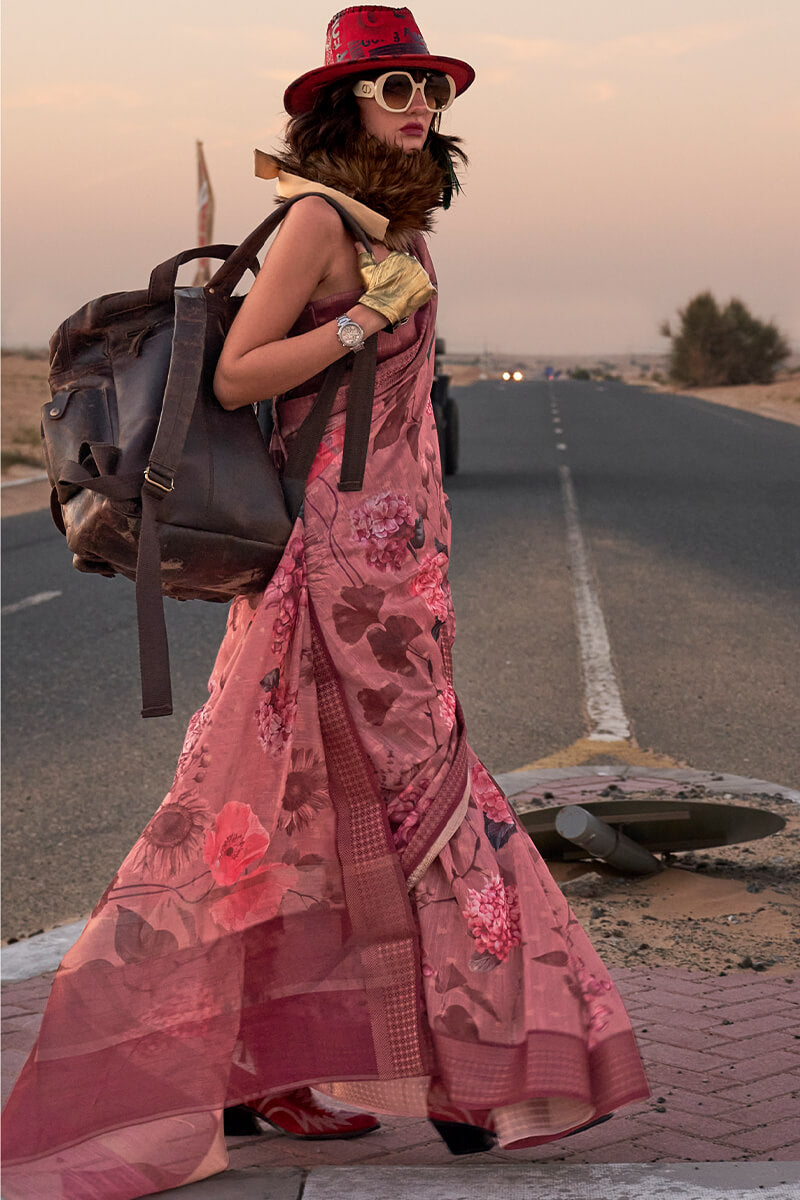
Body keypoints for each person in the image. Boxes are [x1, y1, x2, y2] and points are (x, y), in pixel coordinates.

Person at [1, 7, 649, 1197]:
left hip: (398, 565)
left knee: (313, 809)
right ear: (341, 104)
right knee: (394, 804)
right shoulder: (315, 221)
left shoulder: (390, 225)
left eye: (429, 90)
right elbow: (239, 368)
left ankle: (272, 1071)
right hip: (333, 568)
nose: (416, 106)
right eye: (392, 87)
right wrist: (362, 317)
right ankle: (469, 1071)